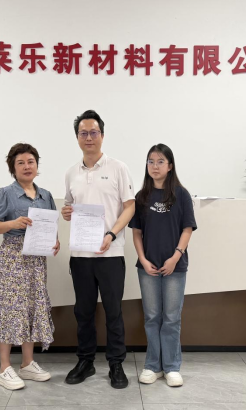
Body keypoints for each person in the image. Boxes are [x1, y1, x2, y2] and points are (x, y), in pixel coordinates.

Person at [61, 110, 136, 390]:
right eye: (83, 133)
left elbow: (130, 206)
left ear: (102, 135)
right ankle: (86, 361)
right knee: (83, 311)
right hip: (80, 255)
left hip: (110, 253)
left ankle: (116, 363)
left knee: (113, 311)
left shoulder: (118, 168)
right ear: (77, 137)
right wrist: (66, 212)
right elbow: (69, 206)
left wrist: (111, 233)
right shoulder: (71, 172)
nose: (89, 138)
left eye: (93, 132)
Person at [0, 143, 60, 391]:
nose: (27, 166)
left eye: (31, 162)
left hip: (37, 258)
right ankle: (4, 368)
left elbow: (52, 225)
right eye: (21, 163)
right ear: (13, 168)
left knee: (32, 306)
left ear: (37, 165)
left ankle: (27, 364)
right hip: (12, 256)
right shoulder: (4, 193)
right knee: (8, 307)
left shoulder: (46, 195)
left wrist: (55, 241)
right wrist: (13, 223)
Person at [129, 144, 197, 388]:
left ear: (170, 166)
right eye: (151, 161)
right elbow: (136, 233)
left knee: (171, 318)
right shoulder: (141, 197)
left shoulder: (181, 195)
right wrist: (143, 260)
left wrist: (175, 257)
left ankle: (172, 367)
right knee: (152, 316)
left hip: (174, 267)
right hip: (147, 267)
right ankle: (152, 366)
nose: (155, 166)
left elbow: (187, 229)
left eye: (160, 161)